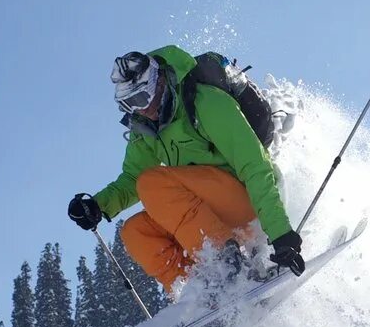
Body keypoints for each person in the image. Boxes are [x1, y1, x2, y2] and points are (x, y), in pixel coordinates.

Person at [66, 47, 303, 291]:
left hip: (246, 202)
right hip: (209, 217)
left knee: (152, 183)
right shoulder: (146, 129)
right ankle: (197, 294)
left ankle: (225, 268)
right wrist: (98, 205)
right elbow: (131, 178)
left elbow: (254, 165)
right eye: (128, 104)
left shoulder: (205, 102)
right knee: (135, 232)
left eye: (141, 99)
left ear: (158, 82)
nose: (140, 109)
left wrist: (280, 233)